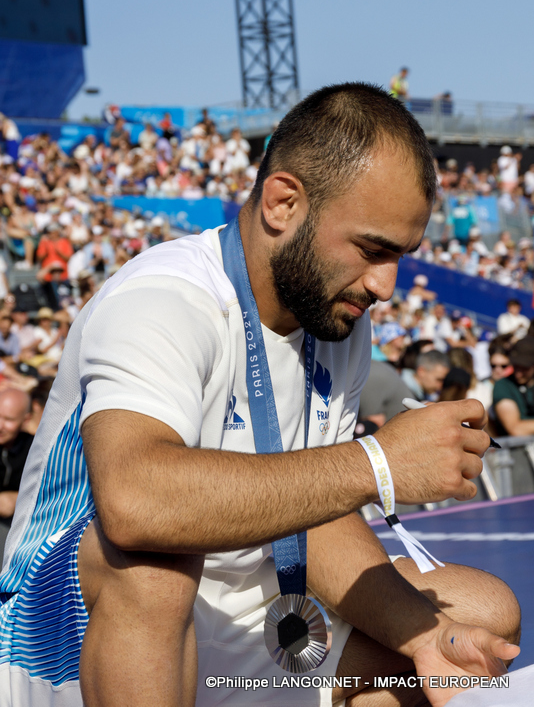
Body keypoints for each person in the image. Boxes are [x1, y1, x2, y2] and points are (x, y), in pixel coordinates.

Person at [0, 84, 520, 707]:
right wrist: (376, 462)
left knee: (481, 610)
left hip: (250, 622)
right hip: (86, 628)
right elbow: (134, 503)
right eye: (372, 250)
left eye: (402, 257)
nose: (387, 284)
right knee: (156, 565)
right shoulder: (163, 299)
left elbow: (318, 512)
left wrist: (430, 637)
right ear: (283, 202)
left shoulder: (339, 317)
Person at [0, 389, 32, 557]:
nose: (0, 426)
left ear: (25, 420)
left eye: (8, 420)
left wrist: (19, 498)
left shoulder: (35, 449)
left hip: (21, 532)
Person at [492, 335, 534, 436]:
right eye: (516, 367)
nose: (518, 373)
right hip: (515, 449)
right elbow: (515, 429)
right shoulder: (503, 386)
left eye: (524, 368)